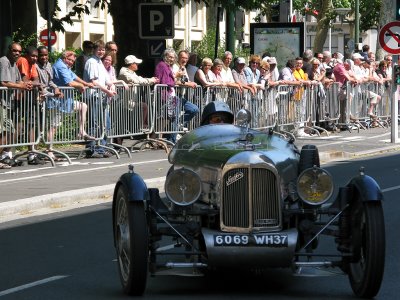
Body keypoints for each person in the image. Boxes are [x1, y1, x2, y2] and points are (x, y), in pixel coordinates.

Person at [154, 48, 199, 143]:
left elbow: (184, 80)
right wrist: (184, 81)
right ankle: (171, 139)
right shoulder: (171, 66)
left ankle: (175, 129)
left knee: (193, 109)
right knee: (174, 117)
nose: (184, 60)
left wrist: (190, 82)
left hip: (176, 95)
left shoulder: (183, 67)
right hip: (171, 95)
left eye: (186, 58)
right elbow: (171, 81)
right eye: (182, 57)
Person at [0, 42, 32, 168]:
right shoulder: (4, 61)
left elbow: (19, 80)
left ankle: (4, 157)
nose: (17, 53)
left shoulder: (14, 64)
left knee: (9, 132)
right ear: (9, 50)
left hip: (9, 103)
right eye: (14, 51)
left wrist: (27, 84)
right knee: (5, 132)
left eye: (19, 51)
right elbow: (3, 82)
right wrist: (21, 86)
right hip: (2, 103)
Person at [83, 40, 117, 158]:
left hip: (101, 96)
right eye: (99, 49)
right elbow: (94, 81)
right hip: (94, 95)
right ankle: (92, 147)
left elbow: (107, 79)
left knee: (104, 123)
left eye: (103, 50)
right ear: (94, 50)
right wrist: (107, 91)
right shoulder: (92, 62)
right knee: (95, 122)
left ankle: (101, 147)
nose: (101, 52)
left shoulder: (99, 62)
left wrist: (111, 85)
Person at [52, 50, 95, 141]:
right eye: (70, 60)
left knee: (83, 106)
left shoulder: (66, 66)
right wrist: (81, 86)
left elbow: (74, 76)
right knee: (53, 127)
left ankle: (81, 131)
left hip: (65, 101)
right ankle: (49, 151)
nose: (71, 63)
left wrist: (85, 83)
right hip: (57, 102)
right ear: (64, 58)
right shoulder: (60, 66)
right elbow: (70, 83)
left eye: (73, 61)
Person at [36, 46, 64, 162]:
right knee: (39, 126)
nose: (44, 57)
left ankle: (49, 150)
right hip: (39, 98)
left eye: (46, 55)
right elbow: (40, 86)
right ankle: (35, 152)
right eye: (41, 55)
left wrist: (56, 88)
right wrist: (53, 94)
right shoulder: (35, 66)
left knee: (52, 126)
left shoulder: (48, 65)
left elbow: (50, 81)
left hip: (48, 98)